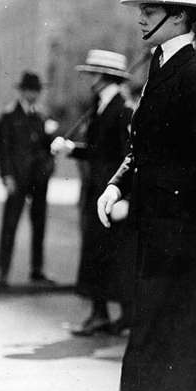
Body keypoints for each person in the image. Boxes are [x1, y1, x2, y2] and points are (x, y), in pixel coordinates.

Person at [93, 0, 196, 391]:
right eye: (141, 9)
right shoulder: (162, 63)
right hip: (159, 223)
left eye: (149, 11)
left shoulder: (195, 75)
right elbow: (145, 143)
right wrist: (115, 183)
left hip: (186, 226)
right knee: (179, 319)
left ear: (179, 18)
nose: (140, 17)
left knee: (154, 319)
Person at [51, 50, 134, 336]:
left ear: (103, 77)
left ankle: (125, 317)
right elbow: (99, 151)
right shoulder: (101, 106)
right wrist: (72, 149)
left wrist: (125, 197)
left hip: (111, 196)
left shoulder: (124, 109)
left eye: (92, 74)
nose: (89, 79)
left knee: (117, 256)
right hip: (96, 193)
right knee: (97, 254)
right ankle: (101, 314)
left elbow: (130, 156)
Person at [0, 71, 56, 287]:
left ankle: (37, 270)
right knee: (10, 224)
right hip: (18, 177)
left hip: (39, 179)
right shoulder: (9, 115)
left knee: (39, 224)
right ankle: (3, 272)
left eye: (36, 91)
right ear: (22, 91)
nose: (33, 95)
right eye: (29, 90)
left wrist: (49, 166)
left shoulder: (42, 116)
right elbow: (3, 150)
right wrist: (7, 176)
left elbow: (48, 148)